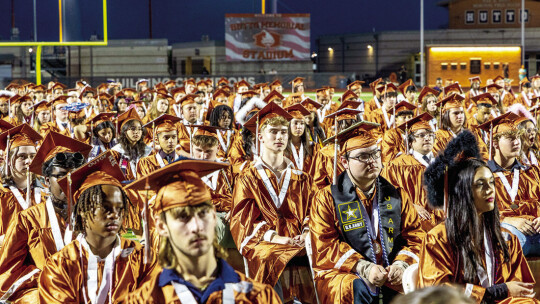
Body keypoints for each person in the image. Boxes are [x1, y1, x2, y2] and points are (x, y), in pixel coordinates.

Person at [122, 158, 281, 303]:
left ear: (213, 216)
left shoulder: (258, 298)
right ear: (162, 226)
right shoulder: (145, 300)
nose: (197, 226)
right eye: (183, 217)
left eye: (203, 213)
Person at [309, 121, 425, 303]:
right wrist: (363, 267)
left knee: (417, 281)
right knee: (351, 288)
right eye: (363, 156)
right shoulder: (326, 199)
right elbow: (325, 246)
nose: (372, 161)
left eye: (375, 154)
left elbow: (415, 236)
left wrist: (401, 263)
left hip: (390, 270)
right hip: (345, 270)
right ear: (344, 162)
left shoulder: (396, 195)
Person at [420, 131, 538, 303]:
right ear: (462, 191)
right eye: (480, 184)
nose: (490, 190)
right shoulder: (438, 239)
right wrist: (497, 291)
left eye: (491, 182)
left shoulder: (505, 238)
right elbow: (437, 292)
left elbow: (521, 290)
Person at [38, 150, 159, 303]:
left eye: (119, 208)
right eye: (105, 207)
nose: (114, 215)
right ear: (81, 210)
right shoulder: (59, 266)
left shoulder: (143, 259)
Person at [231, 102, 316, 303]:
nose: (279, 137)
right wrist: (277, 238)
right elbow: (244, 220)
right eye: (273, 132)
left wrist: (305, 233)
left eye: (283, 133)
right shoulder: (248, 177)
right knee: (269, 257)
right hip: (264, 242)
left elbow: (312, 212)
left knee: (318, 252)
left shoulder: (302, 177)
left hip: (299, 240)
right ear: (260, 137)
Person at [0, 131, 90, 303]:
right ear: (47, 180)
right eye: (61, 175)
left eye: (74, 175)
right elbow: (8, 272)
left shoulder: (92, 217)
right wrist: (50, 282)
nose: (68, 182)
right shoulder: (27, 220)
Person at [480, 113, 540, 257]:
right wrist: (508, 220)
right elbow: (476, 212)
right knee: (508, 240)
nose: (517, 142)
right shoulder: (482, 175)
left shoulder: (531, 172)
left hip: (536, 230)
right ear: (495, 143)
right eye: (510, 138)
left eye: (518, 137)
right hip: (506, 231)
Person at [382, 113, 443, 232]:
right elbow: (386, 194)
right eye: (421, 135)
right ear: (410, 142)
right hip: (416, 224)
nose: (427, 138)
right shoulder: (397, 166)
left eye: (430, 135)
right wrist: (411, 206)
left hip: (445, 221)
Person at [0, 124, 43, 245]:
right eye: (22, 157)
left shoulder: (45, 193)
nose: (28, 161)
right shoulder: (2, 193)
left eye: (32, 156)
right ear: (8, 159)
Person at [111, 107, 152, 180]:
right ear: (124, 131)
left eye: (139, 129)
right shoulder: (116, 152)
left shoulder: (148, 151)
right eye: (133, 129)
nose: (137, 132)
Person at [380, 101, 416, 165]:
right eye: (404, 117)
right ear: (396, 120)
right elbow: (388, 158)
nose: (407, 120)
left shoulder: (416, 133)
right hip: (397, 170)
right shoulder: (390, 135)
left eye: (409, 117)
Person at [285, 103, 316, 172]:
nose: (299, 127)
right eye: (295, 123)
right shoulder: (282, 148)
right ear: (288, 125)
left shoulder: (313, 147)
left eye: (302, 123)